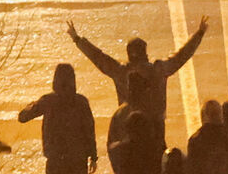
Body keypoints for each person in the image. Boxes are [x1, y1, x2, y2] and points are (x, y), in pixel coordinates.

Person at [67, 17, 208, 141]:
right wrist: (199, 34)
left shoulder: (121, 72)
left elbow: (98, 57)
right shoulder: (158, 70)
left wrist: (77, 39)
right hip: (156, 126)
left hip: (128, 126)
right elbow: (181, 56)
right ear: (145, 52)